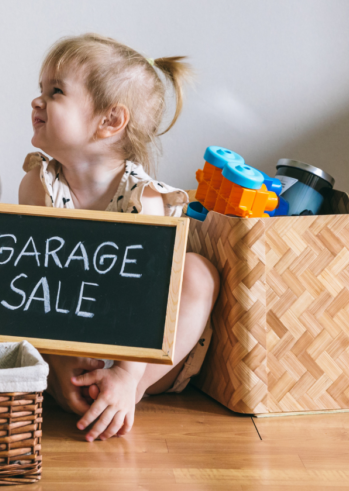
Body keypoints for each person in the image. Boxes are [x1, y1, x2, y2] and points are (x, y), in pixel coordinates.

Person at [19, 33, 219, 442]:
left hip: (142, 352)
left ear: (110, 122)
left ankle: (128, 392)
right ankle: (67, 386)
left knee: (198, 275)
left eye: (55, 92)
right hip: (67, 342)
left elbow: (147, 294)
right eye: (40, 90)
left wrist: (129, 373)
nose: (37, 101)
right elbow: (33, 286)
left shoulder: (142, 197)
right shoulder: (37, 186)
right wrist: (58, 364)